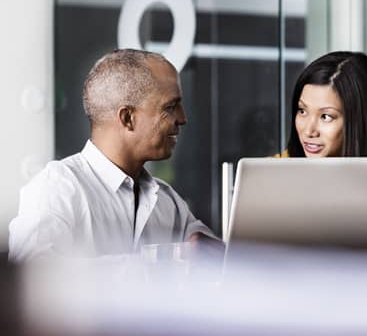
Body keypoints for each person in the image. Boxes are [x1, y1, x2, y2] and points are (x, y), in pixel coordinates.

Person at [9, 49, 218, 262]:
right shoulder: (57, 189)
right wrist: (154, 265)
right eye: (170, 107)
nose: (182, 118)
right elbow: (34, 280)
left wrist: (212, 254)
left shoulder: (168, 201)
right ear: (128, 118)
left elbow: (215, 256)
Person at [277, 51, 367, 244]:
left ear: (357, 121)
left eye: (326, 116)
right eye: (302, 111)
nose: (308, 130)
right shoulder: (274, 172)